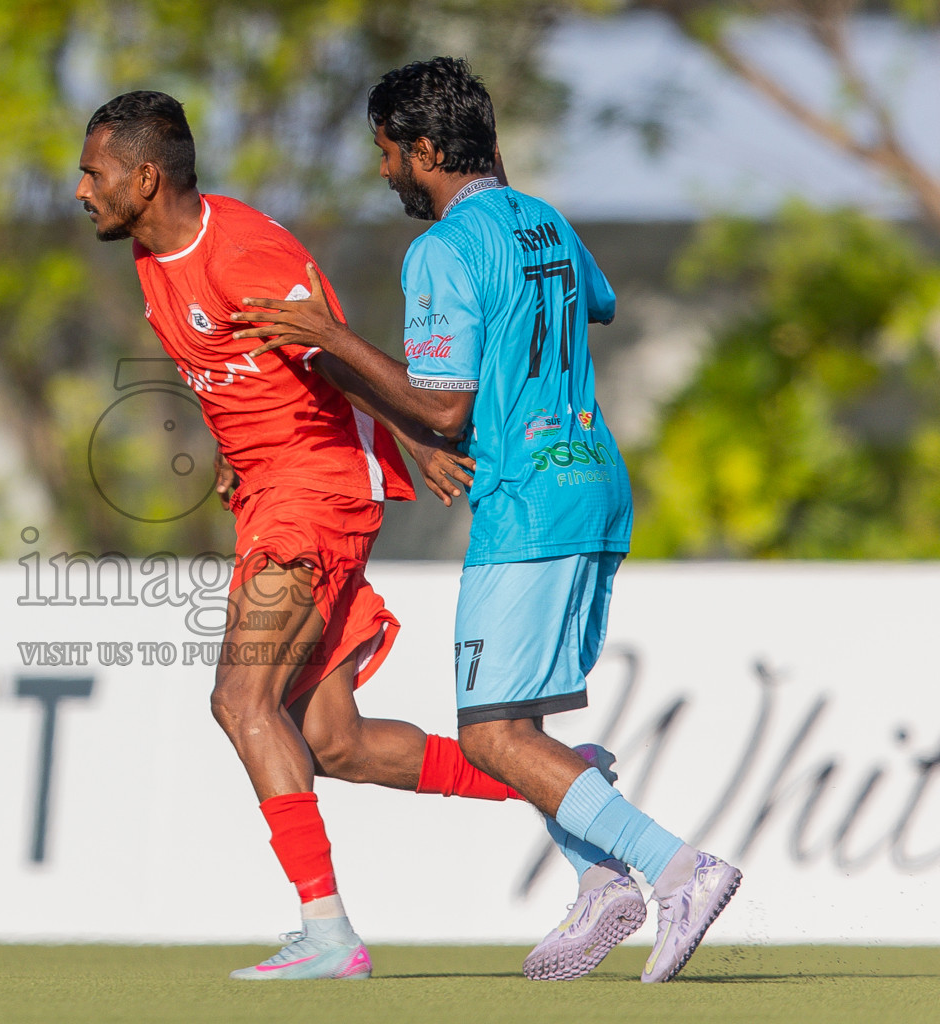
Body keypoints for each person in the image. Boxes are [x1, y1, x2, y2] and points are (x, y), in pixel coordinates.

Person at [232, 57, 741, 984]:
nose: (386, 173)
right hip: (594, 484)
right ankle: (601, 888)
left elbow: (443, 411)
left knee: (492, 736)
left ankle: (677, 868)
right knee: (524, 721)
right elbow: (600, 302)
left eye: (388, 154)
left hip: (528, 505)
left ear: (426, 149)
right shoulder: (544, 218)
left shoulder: (440, 250)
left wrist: (332, 340)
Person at [76, 90, 551, 982]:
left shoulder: (246, 252)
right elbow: (239, 376)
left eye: (91, 171)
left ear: (144, 177)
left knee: (239, 701)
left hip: (314, 498)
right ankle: (566, 783)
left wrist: (418, 435)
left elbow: (331, 353)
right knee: (335, 742)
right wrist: (231, 453)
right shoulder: (151, 259)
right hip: (272, 494)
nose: (79, 188)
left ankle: (328, 934)